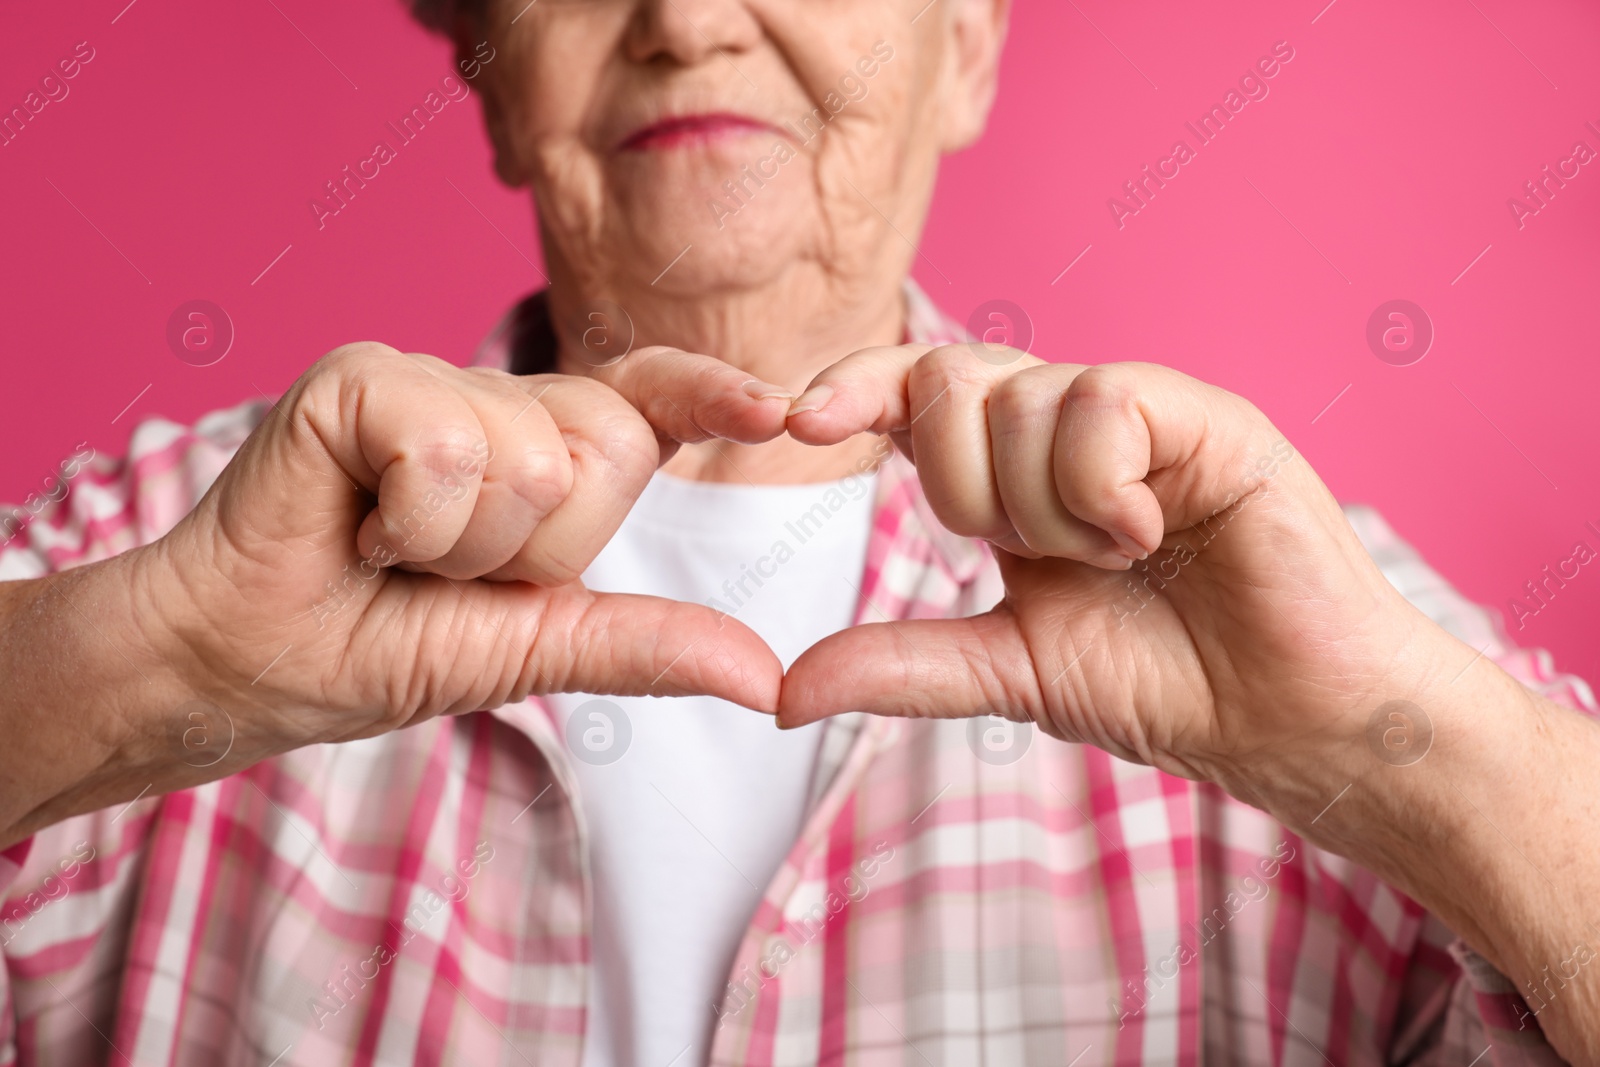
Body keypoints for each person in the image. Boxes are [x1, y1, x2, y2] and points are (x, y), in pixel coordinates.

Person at [1, 0, 1597, 1063]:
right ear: (489, 74)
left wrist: (1403, 761)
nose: (687, 18)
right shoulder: (169, 559)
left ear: (966, 47)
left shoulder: (1287, 608)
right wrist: (147, 674)